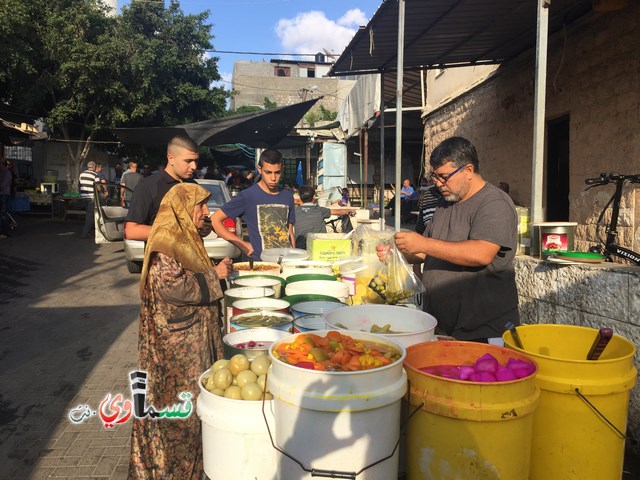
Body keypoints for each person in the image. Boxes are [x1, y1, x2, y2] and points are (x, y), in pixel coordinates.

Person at [128, 183, 233, 480]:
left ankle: (194, 467)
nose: (206, 212)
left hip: (189, 341)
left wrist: (212, 266)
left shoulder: (184, 237)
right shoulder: (165, 243)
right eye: (200, 206)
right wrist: (215, 275)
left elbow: (190, 272)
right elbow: (174, 286)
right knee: (180, 416)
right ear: (182, 209)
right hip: (175, 352)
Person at [378, 137, 519, 343]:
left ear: (468, 171)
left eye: (444, 177)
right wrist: (398, 253)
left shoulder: (495, 203)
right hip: (443, 325)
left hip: (482, 330)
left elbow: (481, 253)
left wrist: (423, 243)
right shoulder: (445, 203)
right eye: (434, 176)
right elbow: (429, 251)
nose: (438, 183)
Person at [211, 148, 295, 260]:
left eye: (277, 172)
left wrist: (294, 256)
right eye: (268, 172)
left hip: (286, 261)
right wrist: (242, 245)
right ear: (259, 169)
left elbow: (289, 230)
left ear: (282, 170)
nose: (273, 178)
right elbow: (214, 220)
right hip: (260, 264)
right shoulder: (248, 196)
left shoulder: (287, 196)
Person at [124, 135, 199, 242]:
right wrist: (176, 233)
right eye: (188, 161)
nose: (194, 166)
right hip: (162, 257)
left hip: (191, 256)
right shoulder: (147, 186)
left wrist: (203, 227)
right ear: (171, 159)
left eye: (196, 161)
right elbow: (131, 231)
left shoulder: (193, 185)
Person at [294, 185, 353, 249]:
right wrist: (350, 210)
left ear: (300, 198)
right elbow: (338, 212)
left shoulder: (295, 211)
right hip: (319, 247)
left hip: (300, 247)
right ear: (314, 197)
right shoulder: (319, 210)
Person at [79, 161, 100, 238]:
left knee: (88, 214)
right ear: (94, 167)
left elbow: (80, 184)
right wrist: (101, 192)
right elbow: (98, 186)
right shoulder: (95, 174)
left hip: (83, 197)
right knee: (90, 216)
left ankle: (91, 231)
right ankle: (85, 233)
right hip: (91, 197)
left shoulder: (81, 174)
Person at [0, 159, 12, 239]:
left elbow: (3, 185)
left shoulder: (6, 173)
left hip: (3, 194)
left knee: (3, 214)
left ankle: (4, 233)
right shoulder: (3, 172)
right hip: (2, 194)